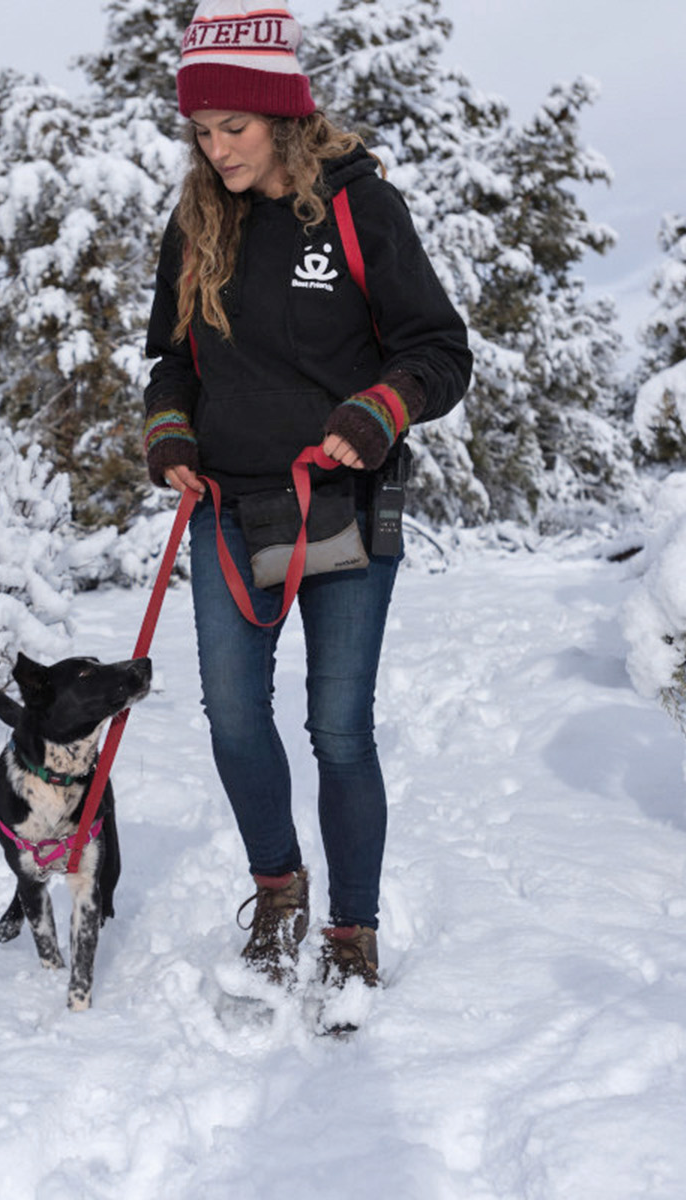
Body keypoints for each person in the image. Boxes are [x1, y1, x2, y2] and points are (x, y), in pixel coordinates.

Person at [142, 0, 472, 993]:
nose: (218, 150)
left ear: (284, 118)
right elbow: (169, 364)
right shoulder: (195, 224)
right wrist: (171, 439)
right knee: (234, 718)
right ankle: (278, 891)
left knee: (338, 729)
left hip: (343, 512)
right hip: (230, 512)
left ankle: (352, 932)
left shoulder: (361, 208)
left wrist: (378, 411)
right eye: (202, 132)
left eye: (233, 128)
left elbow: (439, 352)